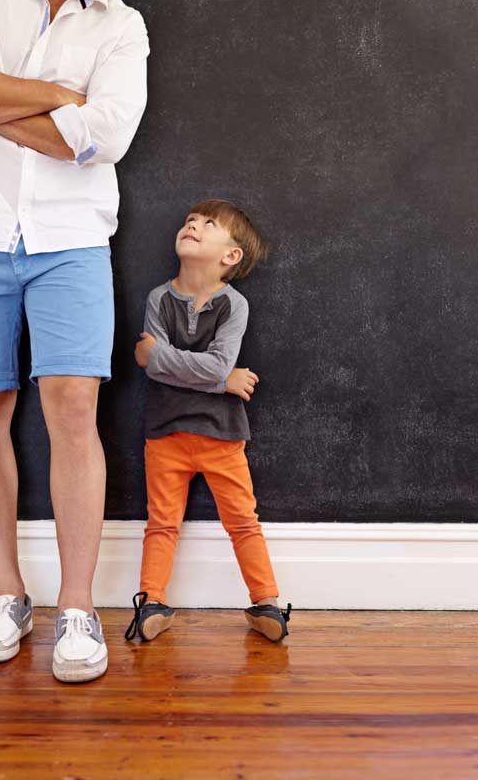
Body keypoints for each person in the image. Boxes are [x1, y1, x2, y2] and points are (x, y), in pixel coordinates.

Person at [0, 0, 149, 683]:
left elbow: (105, 138)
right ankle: (7, 596)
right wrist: (59, 99)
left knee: (75, 408)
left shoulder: (123, 25)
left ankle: (77, 608)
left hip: (72, 239)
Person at [126, 199, 292, 646]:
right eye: (189, 221)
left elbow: (165, 359)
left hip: (223, 436)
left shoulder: (233, 305)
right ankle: (152, 600)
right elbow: (157, 366)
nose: (193, 225)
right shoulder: (159, 299)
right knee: (161, 522)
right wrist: (222, 380)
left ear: (230, 255)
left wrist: (163, 357)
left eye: (207, 224)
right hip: (165, 433)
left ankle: (267, 602)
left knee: (242, 521)